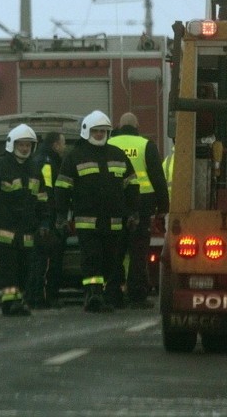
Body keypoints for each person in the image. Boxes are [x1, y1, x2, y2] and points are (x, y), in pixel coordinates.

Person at [55, 110, 138, 313]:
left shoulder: (118, 155)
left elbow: (132, 185)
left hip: (114, 221)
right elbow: (62, 188)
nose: (100, 134)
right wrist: (61, 216)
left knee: (111, 260)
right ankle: (93, 295)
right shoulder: (74, 156)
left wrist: (133, 212)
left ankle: (105, 294)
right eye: (96, 130)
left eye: (103, 131)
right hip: (87, 221)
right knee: (92, 258)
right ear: (87, 131)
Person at [0, 123, 46, 316]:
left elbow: (42, 200)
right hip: (4, 232)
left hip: (27, 232)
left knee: (24, 270)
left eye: (28, 145)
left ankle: (20, 300)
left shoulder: (35, 169)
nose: (25, 148)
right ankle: (9, 304)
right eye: (21, 145)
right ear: (12, 145)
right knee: (8, 271)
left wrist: (44, 223)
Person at [108, 112, 170, 309]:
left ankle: (113, 292)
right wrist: (163, 206)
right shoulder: (145, 145)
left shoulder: (109, 144)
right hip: (142, 203)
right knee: (138, 250)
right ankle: (136, 293)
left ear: (119, 125)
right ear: (137, 126)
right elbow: (157, 178)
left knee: (115, 250)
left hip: (115, 203)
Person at [26, 131, 67, 309]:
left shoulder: (37, 159)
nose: (64, 148)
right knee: (46, 261)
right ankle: (44, 297)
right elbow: (49, 193)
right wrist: (54, 218)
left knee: (38, 260)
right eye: (63, 144)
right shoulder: (48, 163)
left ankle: (35, 296)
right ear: (56, 145)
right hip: (47, 220)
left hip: (39, 219)